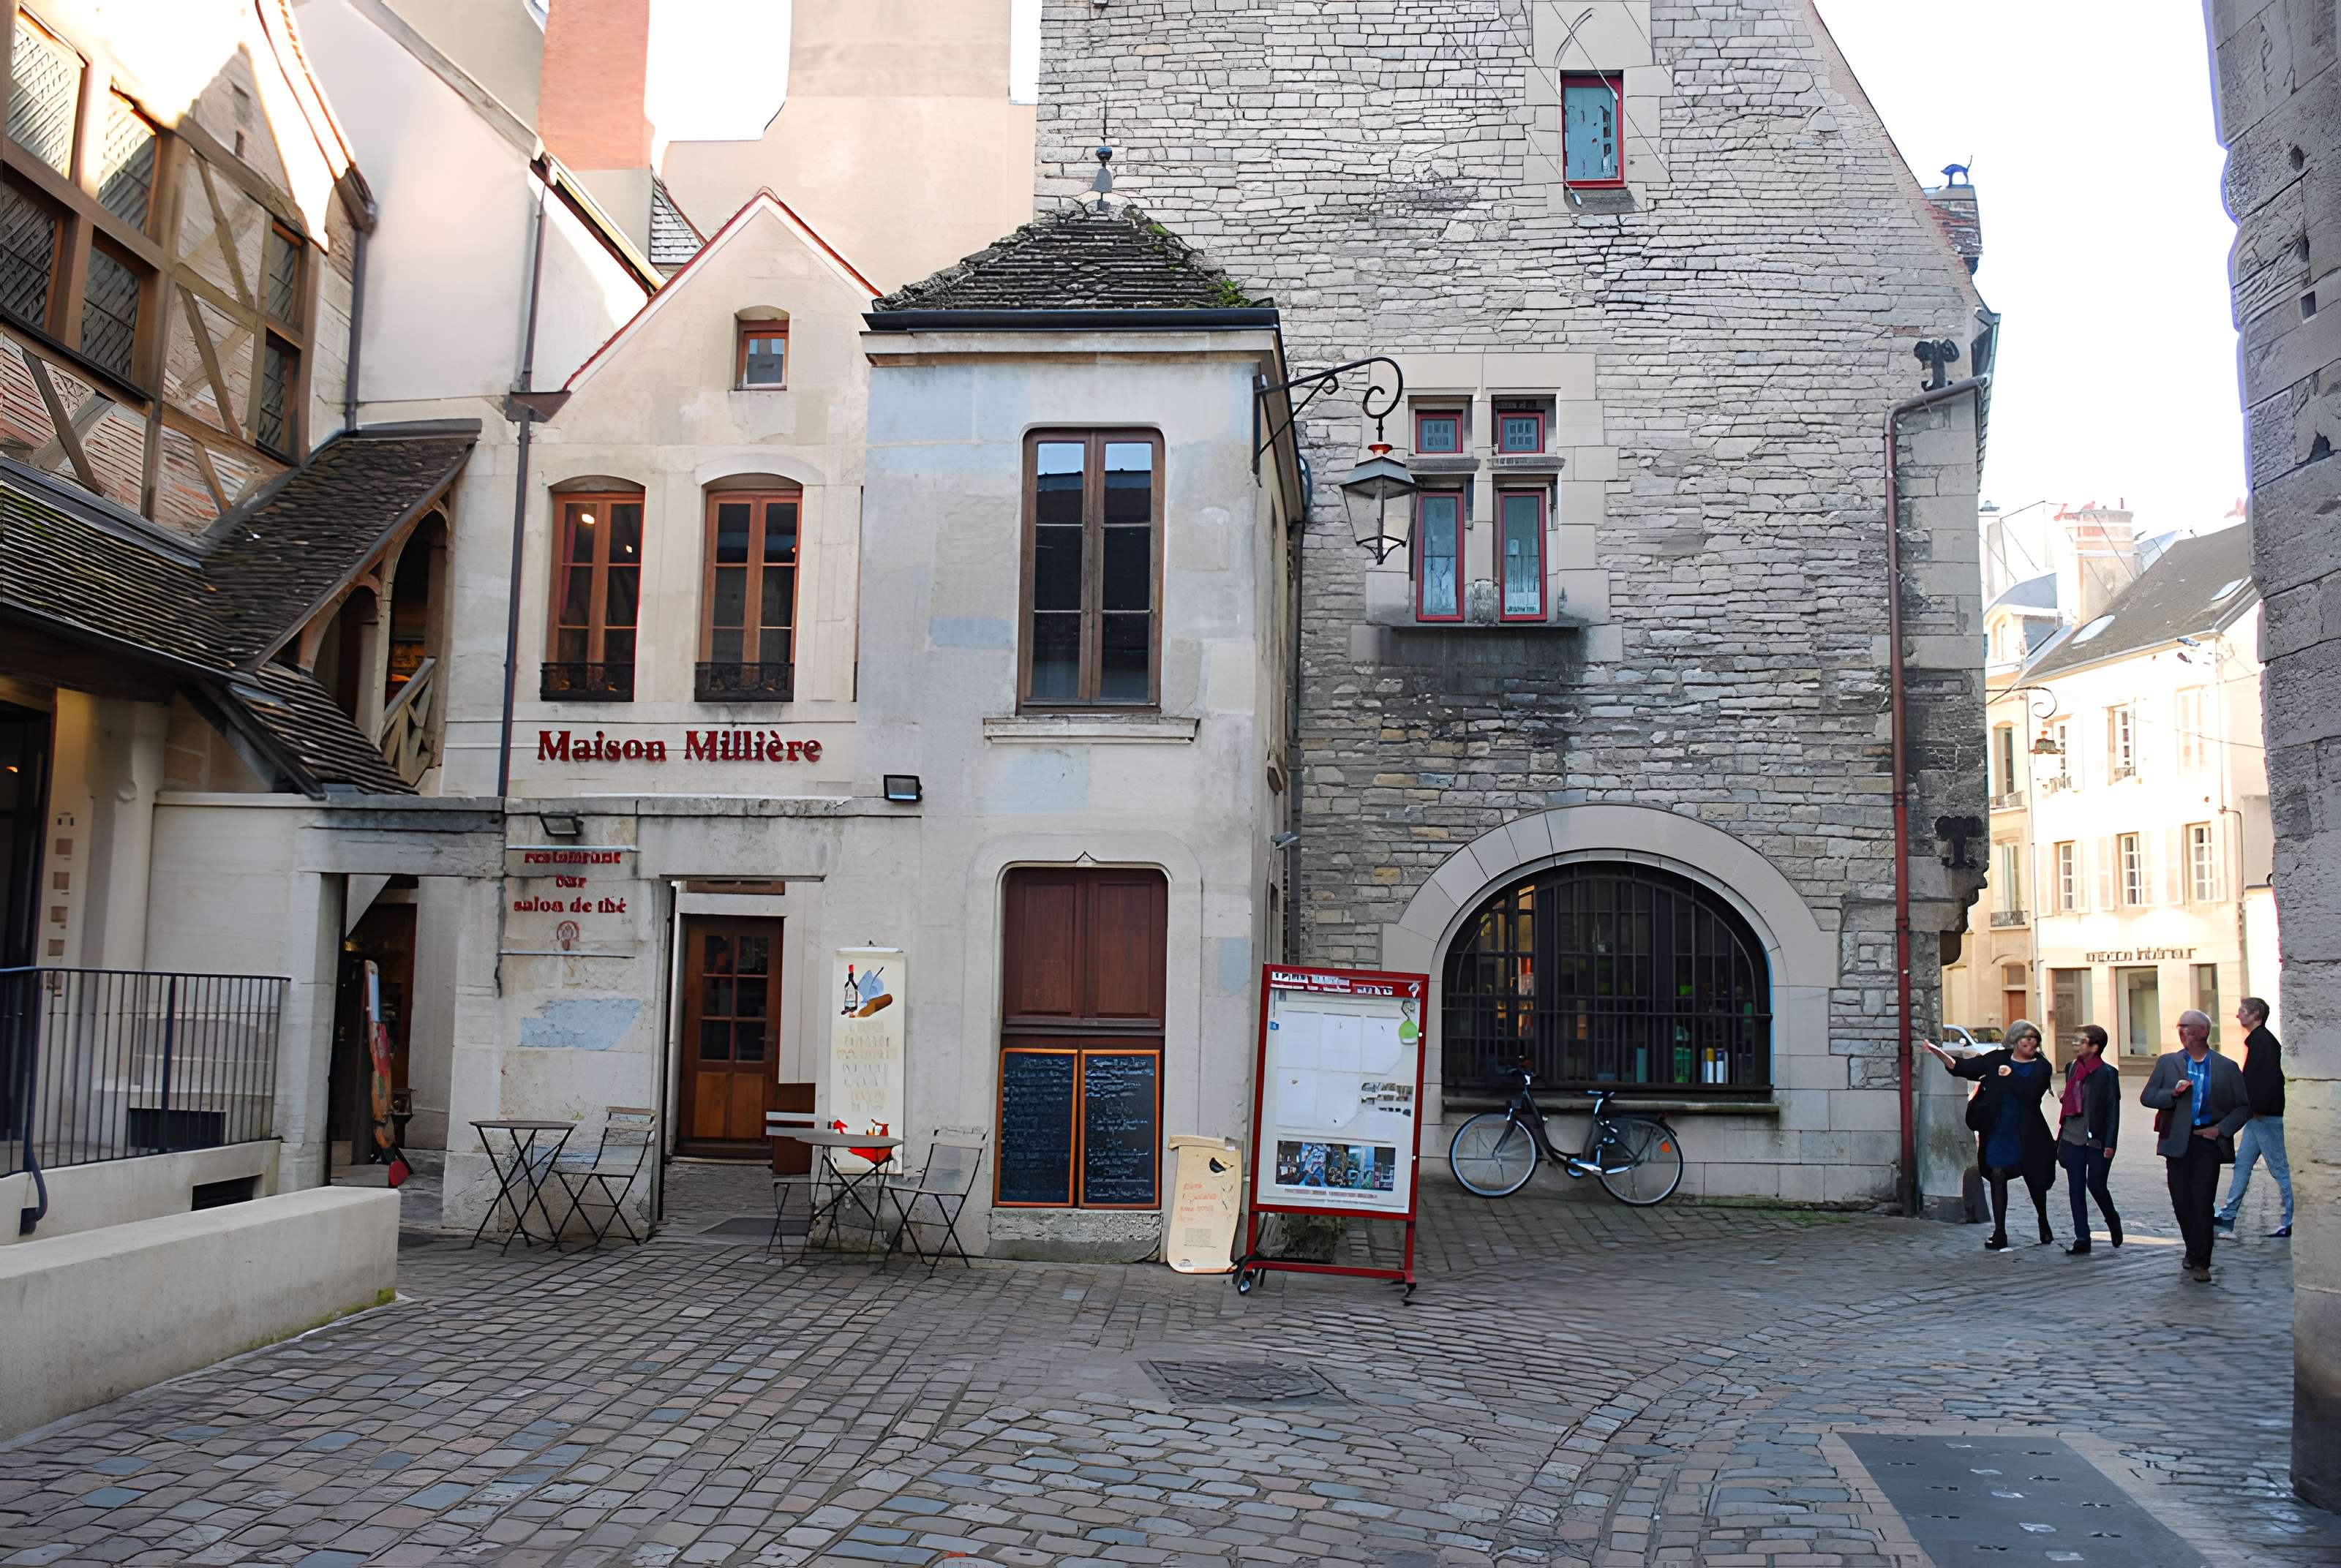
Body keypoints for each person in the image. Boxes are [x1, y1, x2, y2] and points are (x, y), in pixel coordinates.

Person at [2140, 1009, 2252, 1282]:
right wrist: (2172, 1094)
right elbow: (2148, 1097)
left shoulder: (2226, 1067)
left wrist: (2221, 1130)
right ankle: (2193, 1249)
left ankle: (2202, 1260)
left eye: (2187, 1027)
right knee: (2181, 1200)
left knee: (2202, 1201)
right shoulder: (2168, 1063)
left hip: (2207, 1142)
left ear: (2203, 1031)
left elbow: (2243, 1107)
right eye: (2179, 1027)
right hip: (2177, 1140)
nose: (2182, 1032)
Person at [1923, 1019, 2057, 1250]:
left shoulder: (2042, 1066)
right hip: (1998, 1129)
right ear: (2014, 1042)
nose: (2031, 1042)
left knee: (2034, 1179)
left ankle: (2043, 1222)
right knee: (1997, 1175)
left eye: (2034, 1038)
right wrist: (1944, 1058)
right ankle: (2000, 1232)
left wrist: (2010, 1074)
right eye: (2026, 1038)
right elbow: (1966, 1068)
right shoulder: (1998, 1059)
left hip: (2027, 1132)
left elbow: (2029, 1094)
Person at [2214, 996, 2291, 1238]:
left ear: (2256, 1014)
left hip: (2264, 1117)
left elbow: (2268, 1081)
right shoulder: (2260, 1041)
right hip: (2257, 1116)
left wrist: (2257, 1108)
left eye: (2242, 1011)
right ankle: (2228, 1216)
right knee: (2243, 1165)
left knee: (2279, 1169)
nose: (2238, 1016)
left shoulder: (2263, 1042)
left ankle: (2292, 1219)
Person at [2053, 1024, 2121, 1254]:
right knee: (2075, 1188)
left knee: (2096, 1184)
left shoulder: (2107, 1073)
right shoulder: (2071, 1067)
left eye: (2081, 1041)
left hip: (2097, 1139)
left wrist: (2110, 1143)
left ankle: (2112, 1219)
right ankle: (2082, 1238)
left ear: (2094, 1047)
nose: (2075, 1045)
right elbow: (2073, 1098)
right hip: (2072, 1135)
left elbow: (2113, 1110)